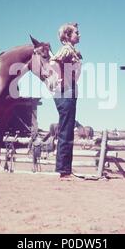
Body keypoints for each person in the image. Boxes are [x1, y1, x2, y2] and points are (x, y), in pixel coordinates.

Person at [50, 23, 82, 180]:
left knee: (67, 129)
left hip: (69, 91)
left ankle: (65, 169)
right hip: (65, 91)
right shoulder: (67, 50)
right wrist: (59, 80)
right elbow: (52, 63)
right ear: (67, 36)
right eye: (76, 32)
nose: (79, 35)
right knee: (66, 130)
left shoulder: (71, 50)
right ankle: (64, 171)